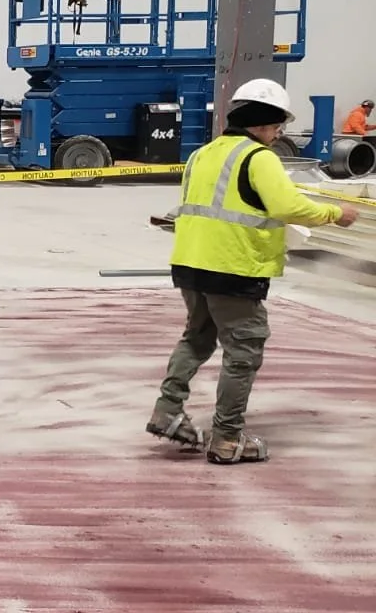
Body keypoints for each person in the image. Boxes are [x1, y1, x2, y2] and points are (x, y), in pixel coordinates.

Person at [147, 79, 358, 464]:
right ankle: (227, 438)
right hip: (233, 268)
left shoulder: (202, 154)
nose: (278, 135)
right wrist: (335, 214)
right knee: (243, 351)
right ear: (263, 124)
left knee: (196, 337)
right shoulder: (259, 158)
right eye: (277, 127)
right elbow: (287, 207)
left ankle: (167, 411)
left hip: (190, 263)